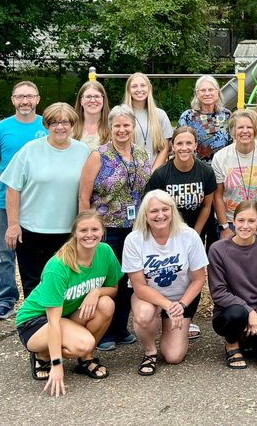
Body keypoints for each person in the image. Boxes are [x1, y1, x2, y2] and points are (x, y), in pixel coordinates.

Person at [15, 211, 120, 394]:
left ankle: (86, 359)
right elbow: (53, 321)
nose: (89, 234)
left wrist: (97, 291)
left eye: (94, 229)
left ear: (102, 231)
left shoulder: (105, 252)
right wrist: (57, 365)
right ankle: (43, 355)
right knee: (83, 343)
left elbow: (113, 288)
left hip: (67, 316)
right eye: (83, 230)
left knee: (106, 304)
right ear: (74, 234)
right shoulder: (58, 267)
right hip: (35, 321)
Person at [79, 105, 152, 351]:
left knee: (130, 278)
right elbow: (84, 195)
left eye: (126, 125)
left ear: (133, 127)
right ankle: (106, 330)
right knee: (109, 277)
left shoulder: (142, 155)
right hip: (107, 227)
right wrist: (87, 228)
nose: (122, 130)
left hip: (136, 228)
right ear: (110, 128)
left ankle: (121, 327)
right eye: (117, 126)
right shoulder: (98, 156)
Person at [3, 102, 91, 296]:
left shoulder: (82, 151)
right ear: (46, 125)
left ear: (72, 124)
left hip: (67, 231)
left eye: (65, 122)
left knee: (65, 283)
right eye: (54, 123)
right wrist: (13, 224)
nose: (60, 127)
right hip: (32, 230)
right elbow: (12, 188)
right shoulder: (30, 150)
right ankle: (34, 325)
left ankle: (60, 325)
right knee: (33, 285)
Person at [122, 190, 207, 373]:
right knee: (144, 315)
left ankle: (171, 325)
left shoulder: (189, 235)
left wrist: (181, 305)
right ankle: (150, 351)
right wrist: (167, 305)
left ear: (172, 211)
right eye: (153, 211)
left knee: (173, 356)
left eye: (165, 209)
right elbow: (139, 286)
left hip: (181, 299)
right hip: (149, 297)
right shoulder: (133, 240)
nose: (160, 215)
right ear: (145, 214)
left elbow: (199, 279)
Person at [0, 81, 47, 321]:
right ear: (13, 100)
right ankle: (6, 299)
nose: (25, 101)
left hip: (41, 201)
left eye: (30, 96)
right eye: (20, 97)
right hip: (7, 200)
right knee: (6, 252)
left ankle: (41, 298)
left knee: (42, 251)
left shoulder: (47, 125)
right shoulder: (0, 129)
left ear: (38, 99)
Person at [207, 200, 257, 369]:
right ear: (233, 221)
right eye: (241, 220)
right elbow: (219, 292)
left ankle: (248, 339)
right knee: (237, 314)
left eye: (251, 221)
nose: (245, 226)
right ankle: (232, 343)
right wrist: (249, 312)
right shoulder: (218, 249)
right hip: (229, 314)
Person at [212, 109, 257, 243]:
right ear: (233, 130)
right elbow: (218, 196)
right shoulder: (220, 157)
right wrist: (225, 227)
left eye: (249, 127)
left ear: (256, 129)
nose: (245, 131)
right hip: (230, 221)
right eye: (240, 127)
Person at [145, 127, 217, 240]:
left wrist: (195, 235)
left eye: (189, 143)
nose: (184, 148)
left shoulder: (206, 172)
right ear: (173, 146)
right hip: (168, 234)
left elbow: (206, 206)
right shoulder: (161, 174)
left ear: (195, 145)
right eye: (179, 143)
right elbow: (150, 207)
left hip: (195, 232)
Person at [123, 72, 173, 168]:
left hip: (156, 174)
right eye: (134, 86)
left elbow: (165, 148)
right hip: (129, 172)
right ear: (128, 90)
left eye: (143, 85)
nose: (139, 89)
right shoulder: (122, 115)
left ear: (149, 88)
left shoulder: (160, 114)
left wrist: (153, 172)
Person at [177, 75, 231, 162]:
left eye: (210, 90)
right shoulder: (188, 116)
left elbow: (233, 143)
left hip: (222, 166)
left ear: (217, 92)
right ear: (197, 94)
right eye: (203, 90)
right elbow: (179, 143)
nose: (207, 93)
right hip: (195, 168)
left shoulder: (226, 115)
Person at [74, 80, 110, 149]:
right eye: (88, 97)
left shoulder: (113, 126)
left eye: (97, 96)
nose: (93, 100)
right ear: (81, 101)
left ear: (103, 100)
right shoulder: (70, 127)